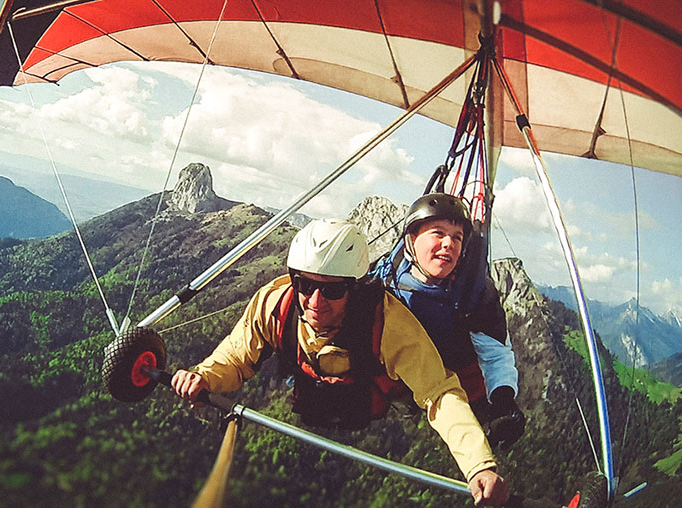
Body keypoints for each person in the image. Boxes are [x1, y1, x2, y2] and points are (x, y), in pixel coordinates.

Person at [172, 219, 510, 506]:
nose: (316, 301)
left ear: (354, 288)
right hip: (311, 391)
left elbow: (439, 393)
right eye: (305, 285)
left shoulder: (389, 323)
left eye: (332, 291)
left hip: (376, 400)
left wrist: (478, 464)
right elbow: (236, 354)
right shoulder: (277, 302)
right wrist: (205, 377)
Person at [371, 193, 525, 449]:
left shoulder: (473, 293)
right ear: (411, 239)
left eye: (457, 238)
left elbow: (496, 354)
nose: (448, 244)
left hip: (450, 380)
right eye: (437, 233)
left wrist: (503, 400)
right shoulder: (388, 278)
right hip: (400, 374)